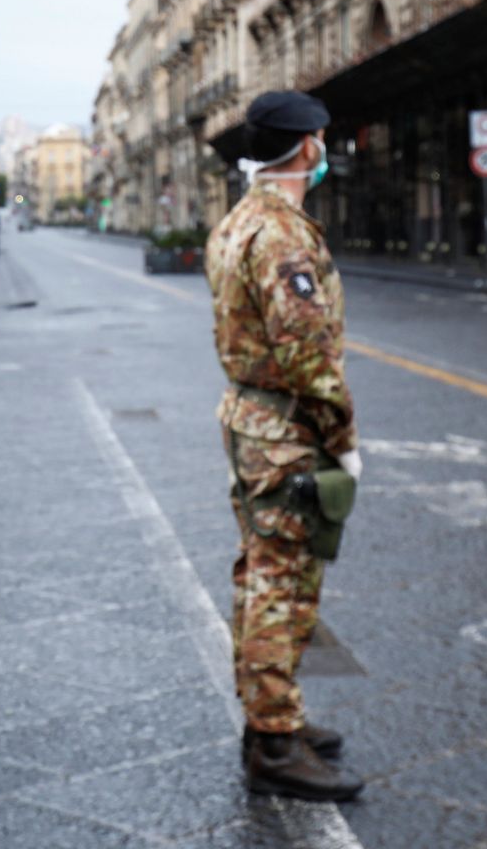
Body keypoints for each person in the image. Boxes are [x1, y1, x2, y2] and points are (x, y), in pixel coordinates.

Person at [205, 90, 366, 802]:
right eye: (323, 140)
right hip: (286, 431)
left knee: (262, 574)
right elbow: (308, 355)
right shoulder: (283, 235)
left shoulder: (239, 221)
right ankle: (273, 742)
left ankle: (275, 717)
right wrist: (343, 437)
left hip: (250, 419)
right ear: (308, 146)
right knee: (281, 583)